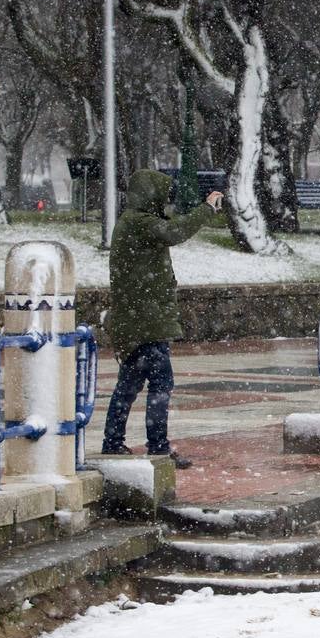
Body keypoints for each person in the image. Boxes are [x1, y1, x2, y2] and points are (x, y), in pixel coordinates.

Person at [101, 169, 223, 468]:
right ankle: (156, 446)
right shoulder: (140, 224)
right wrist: (206, 208)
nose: (166, 200)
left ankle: (113, 442)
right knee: (160, 383)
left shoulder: (133, 222)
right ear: (150, 196)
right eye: (163, 195)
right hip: (145, 321)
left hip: (137, 320)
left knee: (128, 385)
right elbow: (174, 232)